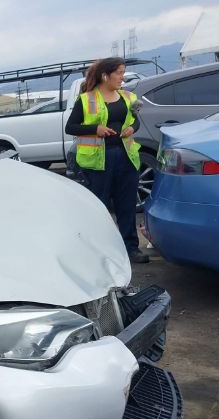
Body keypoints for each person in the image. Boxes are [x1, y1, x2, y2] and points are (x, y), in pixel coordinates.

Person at [65, 57, 150, 264]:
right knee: (100, 207)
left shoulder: (128, 97)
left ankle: (131, 248)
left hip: (126, 157)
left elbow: (135, 121)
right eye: (120, 73)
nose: (123, 77)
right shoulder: (87, 99)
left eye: (123, 72)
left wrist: (132, 128)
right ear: (105, 75)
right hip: (98, 162)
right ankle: (100, 250)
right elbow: (71, 128)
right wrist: (96, 129)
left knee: (127, 205)